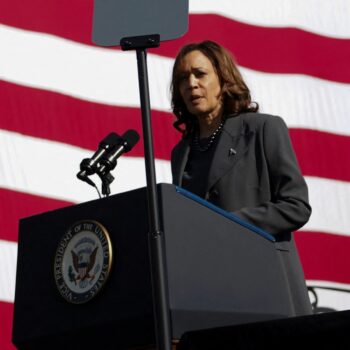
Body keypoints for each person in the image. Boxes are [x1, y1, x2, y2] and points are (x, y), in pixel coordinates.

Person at [170, 40, 312, 316]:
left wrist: (230, 226)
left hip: (267, 283)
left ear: (223, 79)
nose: (191, 83)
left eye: (200, 74)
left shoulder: (263, 128)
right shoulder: (182, 152)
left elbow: (297, 206)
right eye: (182, 78)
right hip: (213, 295)